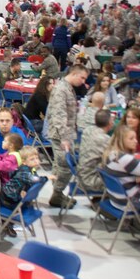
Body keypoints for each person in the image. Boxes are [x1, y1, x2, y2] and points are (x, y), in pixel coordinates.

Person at [46, 65, 88, 209]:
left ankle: (57, 193)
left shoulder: (67, 87)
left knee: (59, 166)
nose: (83, 81)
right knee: (65, 167)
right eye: (82, 77)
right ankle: (57, 195)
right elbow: (59, 116)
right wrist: (64, 138)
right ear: (74, 74)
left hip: (66, 133)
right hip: (61, 135)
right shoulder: (61, 90)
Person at [101, 124, 140, 210]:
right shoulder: (126, 159)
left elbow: (121, 174)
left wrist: (134, 178)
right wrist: (138, 175)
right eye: (131, 139)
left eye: (135, 138)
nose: (136, 141)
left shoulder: (110, 153)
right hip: (128, 202)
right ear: (121, 140)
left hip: (114, 198)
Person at [78, 109, 114, 192]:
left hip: (81, 176)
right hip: (91, 181)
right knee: (125, 181)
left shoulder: (88, 130)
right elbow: (118, 157)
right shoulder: (104, 139)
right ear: (110, 123)